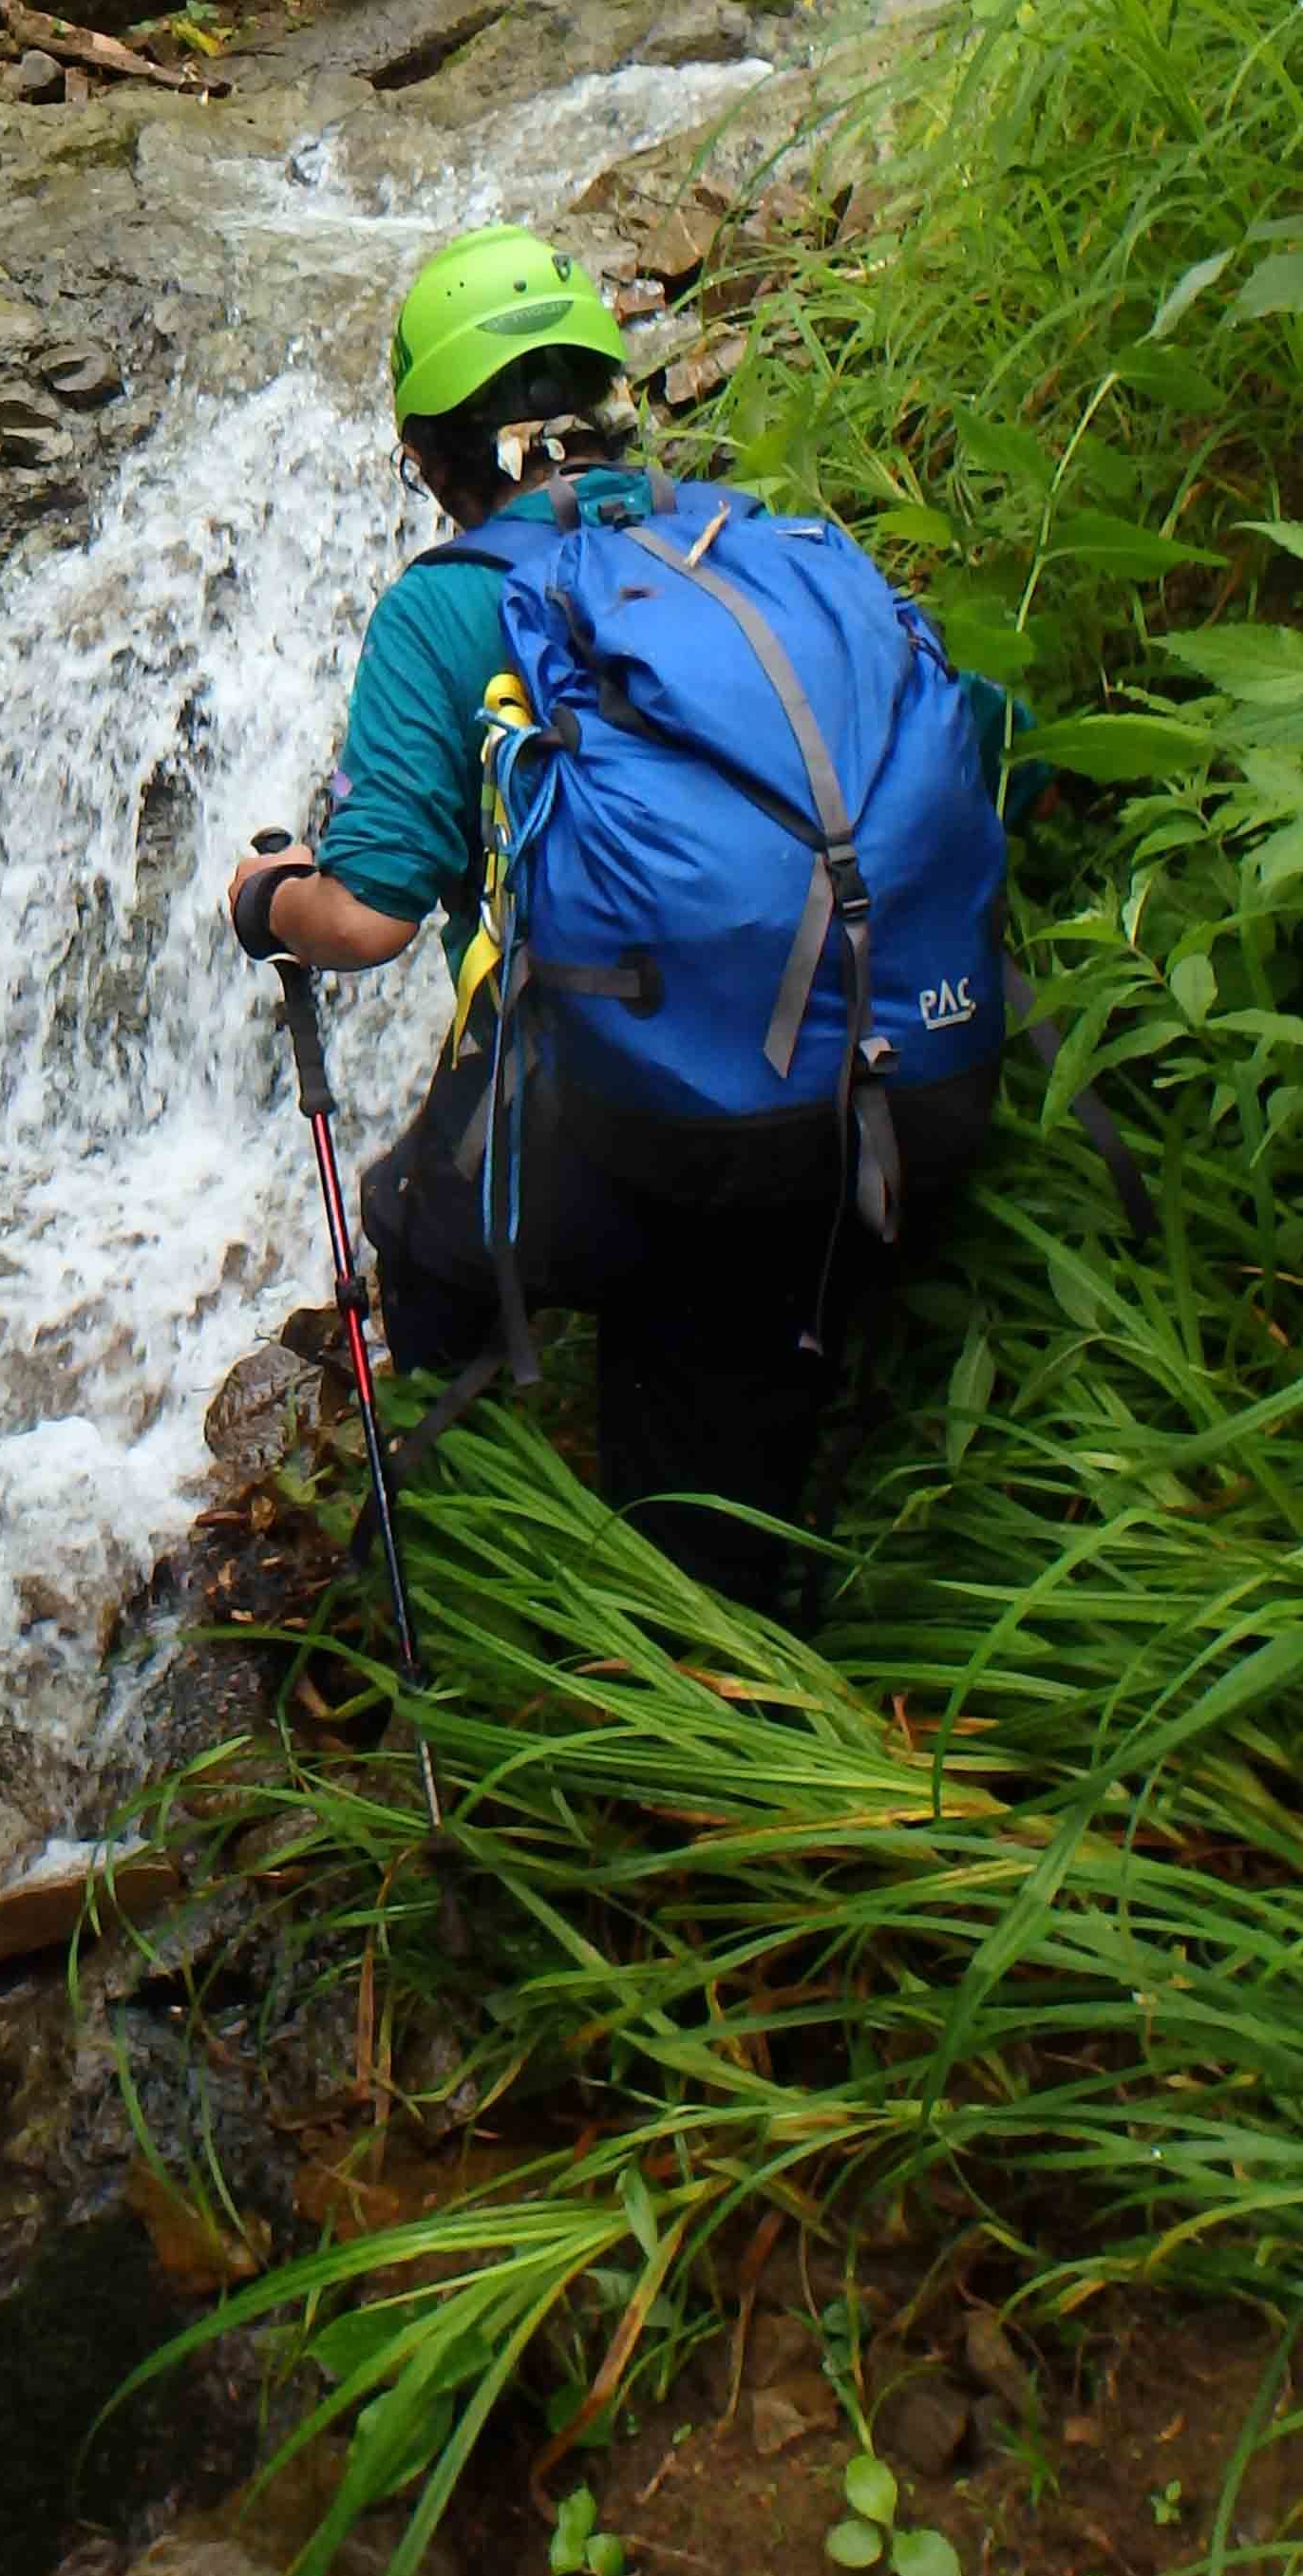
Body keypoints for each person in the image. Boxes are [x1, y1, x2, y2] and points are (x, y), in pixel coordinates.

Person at [227, 227, 1016, 1619]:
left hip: (677, 1127)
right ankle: (740, 1638)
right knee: (718, 1431)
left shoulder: (448, 605)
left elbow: (364, 920)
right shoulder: (732, 535)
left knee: (416, 1224)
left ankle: (506, 1550)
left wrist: (264, 897)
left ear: (428, 452)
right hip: (896, 1070)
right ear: (606, 394)